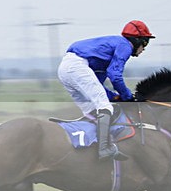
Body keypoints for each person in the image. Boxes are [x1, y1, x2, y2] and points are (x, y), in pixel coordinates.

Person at [57, 20, 155, 160]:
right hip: (77, 66)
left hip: (65, 69)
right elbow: (115, 76)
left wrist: (116, 97)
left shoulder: (103, 57)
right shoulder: (125, 46)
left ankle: (91, 146)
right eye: (145, 43)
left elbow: (98, 85)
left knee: (92, 111)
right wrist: (128, 97)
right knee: (104, 107)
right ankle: (104, 149)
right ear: (138, 40)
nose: (144, 49)